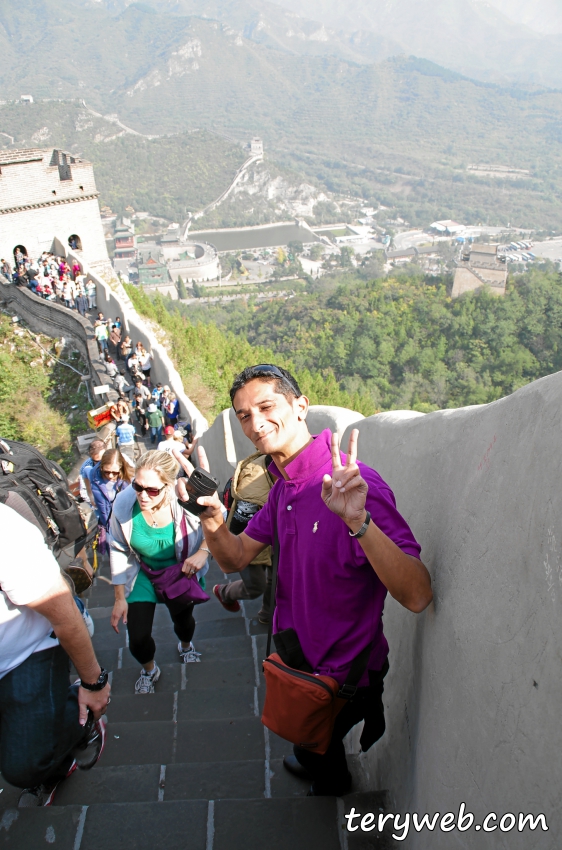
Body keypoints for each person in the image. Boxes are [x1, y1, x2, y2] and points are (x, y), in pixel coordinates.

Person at [187, 364, 433, 798]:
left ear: (300, 406)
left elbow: (417, 594)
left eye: (266, 406)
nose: (255, 423)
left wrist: (358, 521)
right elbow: (236, 556)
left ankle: (331, 783)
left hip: (344, 674)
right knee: (309, 737)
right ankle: (314, 756)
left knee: (319, 744)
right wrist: (212, 522)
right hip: (298, 658)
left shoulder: (355, 485)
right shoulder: (282, 485)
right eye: (244, 415)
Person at [0, 503, 110, 807]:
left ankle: (74, 714)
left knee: (23, 767)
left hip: (28, 651)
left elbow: (65, 616)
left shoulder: (5, 532)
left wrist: (93, 685)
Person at [109, 451, 210, 694]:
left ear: (169, 485)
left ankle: (185, 646)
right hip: (144, 574)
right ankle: (149, 669)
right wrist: (119, 598)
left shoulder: (186, 501)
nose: (142, 495)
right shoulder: (124, 504)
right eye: (137, 486)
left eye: (152, 490)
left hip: (180, 573)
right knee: (137, 636)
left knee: (183, 622)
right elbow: (117, 546)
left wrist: (204, 551)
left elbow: (218, 520)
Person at [86, 449, 133, 554]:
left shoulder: (128, 478)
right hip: (108, 521)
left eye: (114, 472)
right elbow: (103, 507)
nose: (110, 476)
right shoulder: (95, 475)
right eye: (106, 472)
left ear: (121, 468)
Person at [79, 439, 107, 505]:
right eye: (96, 461)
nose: (99, 464)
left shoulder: (115, 458)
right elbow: (84, 491)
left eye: (102, 459)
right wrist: (93, 501)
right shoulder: (85, 467)